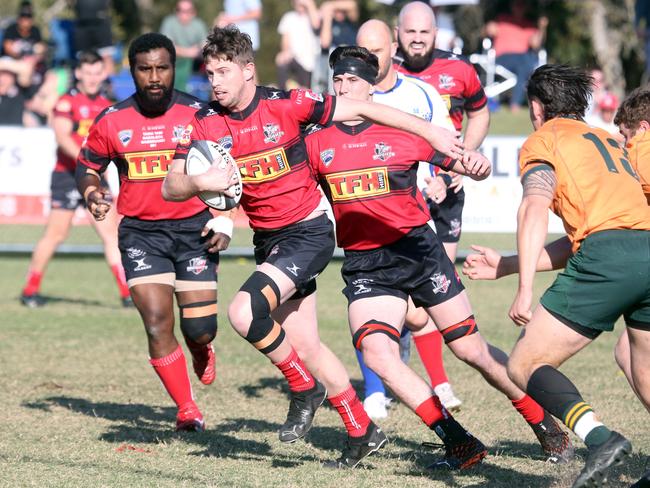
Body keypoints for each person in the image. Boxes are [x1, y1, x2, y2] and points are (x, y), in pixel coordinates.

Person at [163, 25, 466, 467]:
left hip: (308, 232)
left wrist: (432, 133)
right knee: (305, 346)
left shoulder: (289, 103)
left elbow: (363, 108)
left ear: (249, 71)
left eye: (224, 72)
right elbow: (172, 186)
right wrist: (198, 182)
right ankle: (362, 429)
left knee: (243, 312)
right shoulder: (205, 123)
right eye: (210, 74)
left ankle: (304, 388)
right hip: (270, 241)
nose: (215, 83)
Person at [304, 45, 574, 470]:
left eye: (353, 80)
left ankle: (545, 424)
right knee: (377, 354)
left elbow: (459, 159)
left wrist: (474, 164)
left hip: (418, 253)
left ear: (371, 87)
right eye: (337, 80)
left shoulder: (403, 132)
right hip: (366, 264)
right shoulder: (316, 142)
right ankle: (459, 441)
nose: (344, 88)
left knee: (472, 351)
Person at [484, 64, 650, 488]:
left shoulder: (545, 139)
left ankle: (600, 439)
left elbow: (534, 208)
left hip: (610, 257)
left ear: (537, 107)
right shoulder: (610, 140)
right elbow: (591, 233)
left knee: (524, 363)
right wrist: (508, 265)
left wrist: (524, 290)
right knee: (641, 366)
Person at [76, 33, 225, 432]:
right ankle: (186, 409)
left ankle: (201, 346)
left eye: (162, 68)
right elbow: (87, 166)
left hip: (195, 229)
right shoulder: (112, 120)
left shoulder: (201, 114)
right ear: (132, 71)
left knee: (200, 328)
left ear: (174, 68)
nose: (154, 77)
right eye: (145, 69)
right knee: (158, 321)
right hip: (141, 233)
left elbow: (230, 170)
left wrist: (223, 219)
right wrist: (92, 191)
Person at [354, 18, 462, 418]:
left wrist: (441, 178)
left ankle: (438, 380)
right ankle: (374, 389)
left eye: (376, 52)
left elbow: (449, 147)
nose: (368, 60)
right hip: (365, 223)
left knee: (420, 313)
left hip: (415, 218)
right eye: (362, 51)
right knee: (370, 309)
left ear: (393, 48)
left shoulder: (424, 94)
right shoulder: (345, 100)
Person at [20, 51, 129, 308]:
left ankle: (126, 294)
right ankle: (30, 289)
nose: (92, 79)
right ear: (78, 74)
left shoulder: (106, 105)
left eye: (96, 73)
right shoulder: (66, 102)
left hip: (95, 178)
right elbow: (62, 138)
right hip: (67, 176)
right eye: (87, 73)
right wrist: (88, 160)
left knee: (111, 235)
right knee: (56, 234)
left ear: (102, 74)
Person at [395, 1, 489, 266]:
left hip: (447, 181)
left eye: (424, 32)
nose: (416, 39)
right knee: (403, 276)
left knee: (444, 278)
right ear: (396, 32)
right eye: (410, 32)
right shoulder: (386, 71)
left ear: (435, 32)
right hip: (399, 185)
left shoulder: (459, 68)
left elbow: (480, 114)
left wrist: (462, 160)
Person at [484, 0, 548, 112]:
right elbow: (488, 31)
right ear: (512, 6)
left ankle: (515, 103)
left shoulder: (529, 26)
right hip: (502, 58)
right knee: (527, 61)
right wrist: (489, 26)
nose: (519, 8)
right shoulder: (503, 20)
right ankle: (516, 103)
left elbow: (536, 44)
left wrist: (542, 27)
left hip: (521, 61)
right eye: (517, 5)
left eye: (522, 5)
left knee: (525, 62)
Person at [160, 0, 208, 92]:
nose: (184, 13)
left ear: (193, 12)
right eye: (180, 10)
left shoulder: (199, 25)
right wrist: (188, 52)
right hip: (174, 62)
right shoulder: (169, 22)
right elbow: (167, 46)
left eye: (187, 10)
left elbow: (205, 46)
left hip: (195, 62)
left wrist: (196, 52)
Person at [275, 0, 320, 90]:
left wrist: (310, 5)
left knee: (306, 89)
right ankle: (283, 94)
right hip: (294, 58)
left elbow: (316, 25)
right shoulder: (288, 17)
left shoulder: (315, 15)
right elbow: (285, 41)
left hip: (312, 62)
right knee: (281, 60)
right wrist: (285, 52)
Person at [72, 0, 116, 75]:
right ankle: (85, 83)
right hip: (82, 23)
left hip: (100, 22)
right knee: (83, 57)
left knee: (106, 55)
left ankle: (109, 82)